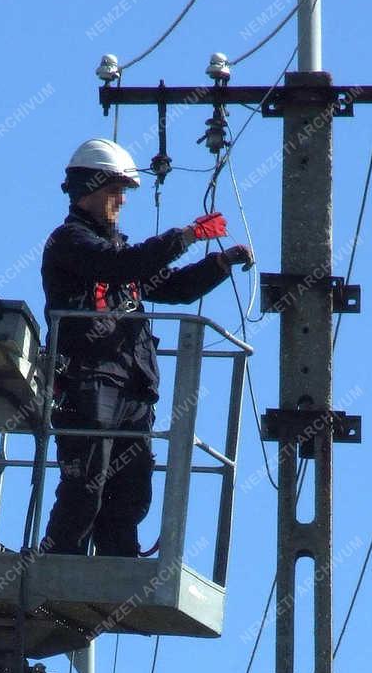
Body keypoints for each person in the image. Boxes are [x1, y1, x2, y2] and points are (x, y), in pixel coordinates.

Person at [40, 137, 252, 557]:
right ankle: (58, 566)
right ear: (88, 190)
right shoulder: (69, 243)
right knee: (86, 483)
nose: (121, 199)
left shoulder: (119, 250)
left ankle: (116, 569)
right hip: (90, 381)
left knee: (131, 489)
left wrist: (218, 264)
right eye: (114, 189)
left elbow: (170, 287)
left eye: (124, 191)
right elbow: (120, 267)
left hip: (132, 386)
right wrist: (186, 236)